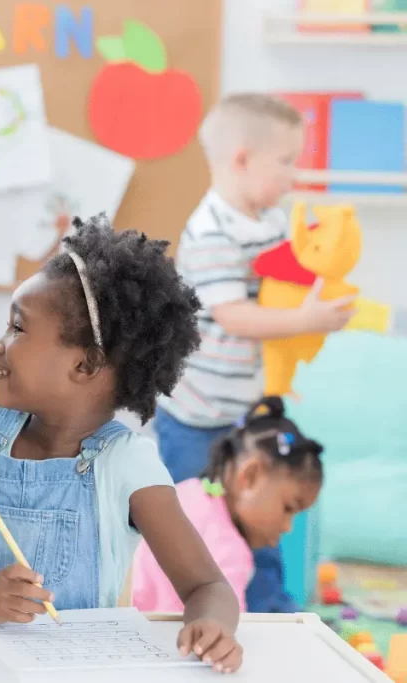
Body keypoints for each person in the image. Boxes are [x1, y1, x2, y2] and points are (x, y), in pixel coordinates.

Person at [0, 217, 247, 674]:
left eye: (17, 329)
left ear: (86, 364)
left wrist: (213, 626)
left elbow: (207, 586)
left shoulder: (126, 464)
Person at [154, 93, 352, 613]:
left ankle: (269, 610)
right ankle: (183, 609)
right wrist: (304, 320)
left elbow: (286, 287)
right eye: (286, 161)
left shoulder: (273, 222)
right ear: (241, 159)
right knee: (194, 523)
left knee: (259, 517)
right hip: (195, 417)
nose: (294, 175)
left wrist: (320, 302)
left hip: (243, 412)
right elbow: (234, 315)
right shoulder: (210, 230)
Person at [132, 397, 323, 613]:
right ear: (250, 476)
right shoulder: (230, 552)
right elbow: (223, 633)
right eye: (288, 508)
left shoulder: (189, 490)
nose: (288, 527)